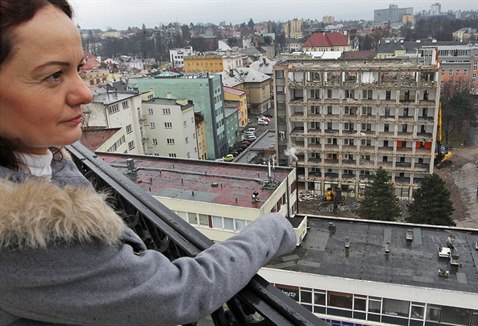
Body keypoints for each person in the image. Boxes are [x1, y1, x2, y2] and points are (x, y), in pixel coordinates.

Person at [0, 1, 296, 325]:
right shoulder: (29, 235)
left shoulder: (37, 160)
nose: (85, 93)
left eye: (78, 69)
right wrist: (274, 228)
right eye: (53, 75)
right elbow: (182, 292)